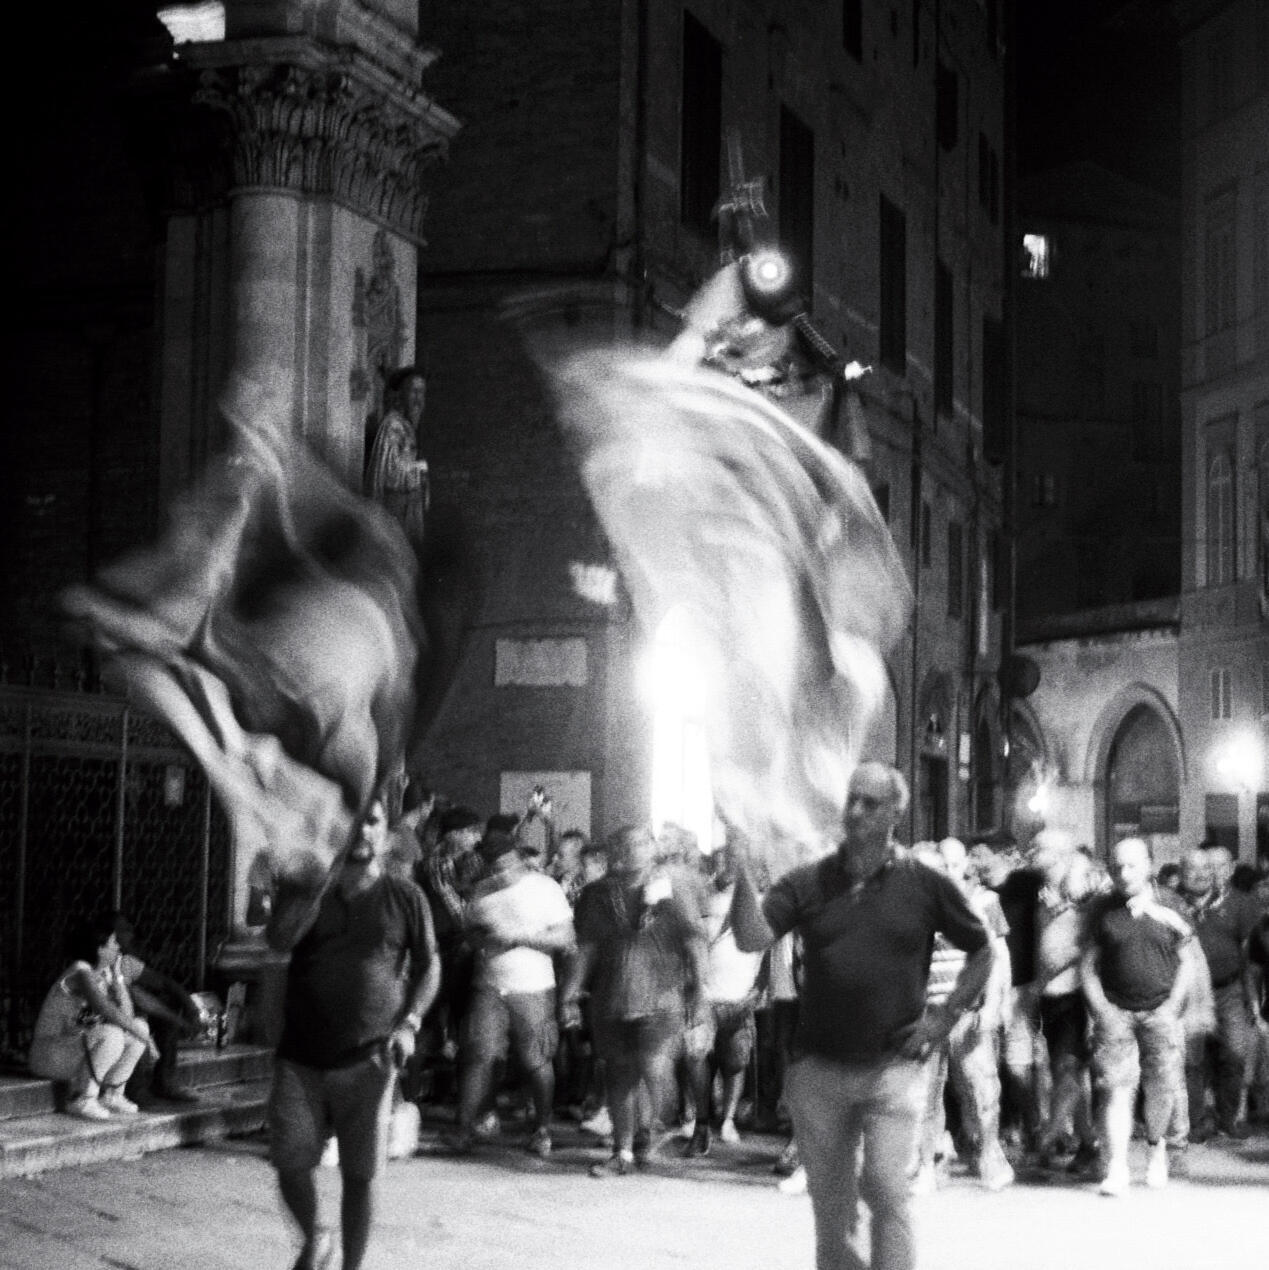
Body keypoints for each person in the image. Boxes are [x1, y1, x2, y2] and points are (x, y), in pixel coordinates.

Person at [729, 762, 992, 1270]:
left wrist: (943, 1017)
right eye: (852, 799)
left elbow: (982, 950)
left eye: (871, 803)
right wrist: (742, 868)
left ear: (898, 812)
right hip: (818, 1069)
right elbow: (751, 938)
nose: (855, 812)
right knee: (832, 1207)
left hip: (893, 1068)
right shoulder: (809, 881)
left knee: (889, 1193)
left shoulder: (924, 882)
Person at [265, 798, 439, 1270]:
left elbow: (429, 966)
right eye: (352, 825)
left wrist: (410, 1024)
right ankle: (317, 1234)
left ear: (385, 834)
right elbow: (277, 940)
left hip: (370, 1058)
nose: (362, 833)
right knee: (290, 1162)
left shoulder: (405, 897)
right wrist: (313, 884)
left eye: (372, 824)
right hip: (300, 1056)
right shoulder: (306, 886)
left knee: (360, 1176)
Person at [561, 824, 710, 1178]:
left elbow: (694, 942)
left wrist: (700, 992)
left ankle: (651, 1126)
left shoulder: (673, 886)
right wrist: (569, 993)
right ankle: (623, 1151)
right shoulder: (596, 894)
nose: (635, 851)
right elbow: (587, 948)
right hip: (612, 997)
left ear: (653, 847)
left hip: (663, 996)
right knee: (620, 1074)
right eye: (626, 846)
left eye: (642, 843)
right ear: (614, 852)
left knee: (655, 1066)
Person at [444, 823, 574, 1158]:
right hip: (489, 988)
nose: (501, 872)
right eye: (494, 867)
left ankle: (542, 1128)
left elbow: (565, 938)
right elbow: (471, 937)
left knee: (535, 1060)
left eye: (506, 865)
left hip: (533, 988)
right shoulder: (481, 892)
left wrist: (518, 938)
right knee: (480, 1057)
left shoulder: (545, 889)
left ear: (517, 858)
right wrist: (481, 939)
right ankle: (465, 1128)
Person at [1080, 836, 1191, 1196]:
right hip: (1117, 1013)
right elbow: (1088, 965)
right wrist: (1101, 1009)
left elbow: (1188, 960)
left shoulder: (1172, 904)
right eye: (1116, 866)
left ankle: (1156, 1145)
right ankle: (1118, 1166)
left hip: (1161, 1010)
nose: (1123, 873)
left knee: (1161, 1087)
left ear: (1150, 866)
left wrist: (1174, 1005)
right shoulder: (1101, 909)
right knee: (1116, 1090)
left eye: (1131, 865)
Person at [911, 837, 1014, 1194]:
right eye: (944, 866)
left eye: (956, 865)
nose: (951, 872)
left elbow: (999, 960)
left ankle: (989, 1153)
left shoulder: (984, 903)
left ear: (967, 865)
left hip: (968, 1011)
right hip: (929, 1012)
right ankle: (925, 1164)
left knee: (981, 1089)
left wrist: (992, 1007)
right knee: (925, 1093)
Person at [29, 914, 158, 1120]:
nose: (119, 948)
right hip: (50, 1054)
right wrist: (148, 1041)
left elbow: (127, 1016)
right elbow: (106, 1010)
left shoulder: (105, 975)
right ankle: (83, 1099)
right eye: (114, 943)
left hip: (72, 1048)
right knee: (112, 1033)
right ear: (100, 948)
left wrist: (118, 978)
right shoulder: (80, 971)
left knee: (138, 1027)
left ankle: (112, 1094)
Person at [681, 838, 764, 1156]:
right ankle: (702, 1124)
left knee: (735, 1062)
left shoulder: (761, 901)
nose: (728, 865)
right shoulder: (702, 899)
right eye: (725, 859)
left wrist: (757, 992)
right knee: (696, 1058)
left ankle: (727, 1119)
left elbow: (767, 954)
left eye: (736, 860)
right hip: (704, 997)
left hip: (740, 997)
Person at [1175, 846, 1260, 1140]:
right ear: (1181, 873)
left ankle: (1228, 1118)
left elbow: (1250, 953)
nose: (1199, 875)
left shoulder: (1236, 903)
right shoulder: (1172, 904)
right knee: (1192, 1061)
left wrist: (1253, 999)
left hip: (1229, 990)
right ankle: (1195, 1122)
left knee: (1235, 1055)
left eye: (1205, 869)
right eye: (1191, 869)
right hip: (1189, 994)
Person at [110, 911, 208, 1103]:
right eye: (124, 930)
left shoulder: (123, 962)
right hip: (99, 1024)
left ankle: (163, 1082)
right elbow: (138, 998)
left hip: (118, 1019)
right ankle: (132, 1089)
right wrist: (180, 1020)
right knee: (137, 1027)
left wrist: (190, 1007)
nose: (131, 935)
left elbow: (164, 983)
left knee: (154, 1023)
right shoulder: (89, 968)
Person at [364, 365, 429, 550]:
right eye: (413, 391)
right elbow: (389, 469)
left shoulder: (407, 426)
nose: (418, 399)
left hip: (410, 507)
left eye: (422, 392)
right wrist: (419, 467)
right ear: (401, 395)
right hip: (397, 508)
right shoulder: (393, 425)